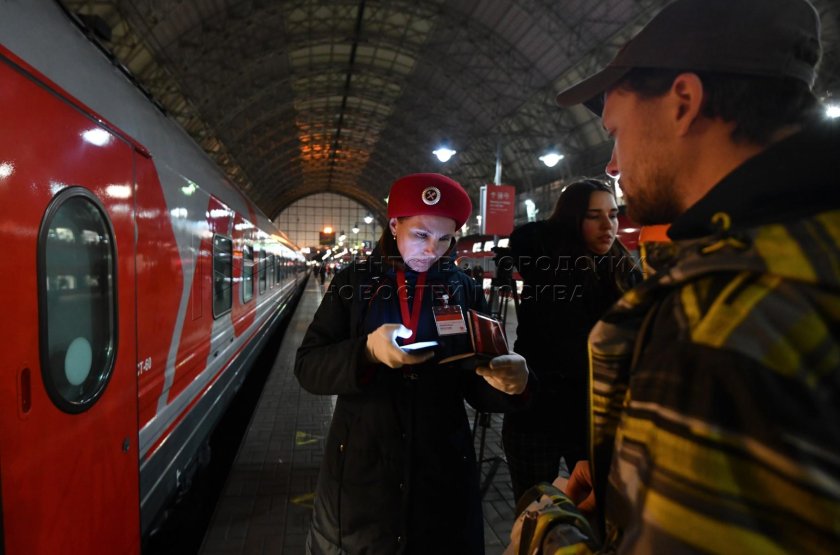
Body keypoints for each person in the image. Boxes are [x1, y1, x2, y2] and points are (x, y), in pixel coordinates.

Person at [511, 0, 840, 552]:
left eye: (616, 131)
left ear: (683, 102)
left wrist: (548, 525)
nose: (613, 164)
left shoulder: (716, 318)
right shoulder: (809, 253)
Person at [295, 173, 531, 554]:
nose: (433, 250)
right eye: (421, 235)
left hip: (441, 474)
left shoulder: (463, 287)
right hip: (361, 478)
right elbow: (308, 366)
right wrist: (367, 352)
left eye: (445, 239)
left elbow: (477, 382)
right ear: (394, 225)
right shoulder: (353, 283)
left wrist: (513, 383)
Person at [502, 179, 639, 503]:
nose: (608, 226)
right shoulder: (547, 264)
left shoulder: (624, 271)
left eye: (614, 214)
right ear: (572, 220)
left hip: (595, 415)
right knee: (534, 508)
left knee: (599, 510)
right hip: (537, 413)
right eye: (594, 216)